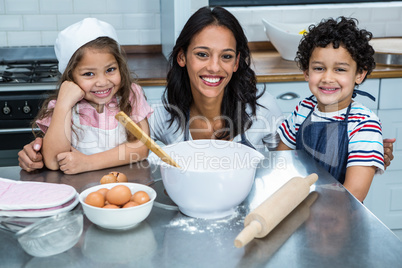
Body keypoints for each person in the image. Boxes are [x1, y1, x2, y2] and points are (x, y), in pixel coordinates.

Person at [18, 7, 395, 172]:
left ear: (237, 63)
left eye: (226, 56)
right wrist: (38, 155)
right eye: (202, 54)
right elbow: (122, 150)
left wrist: (353, 148)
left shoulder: (262, 122)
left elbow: (300, 160)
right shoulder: (161, 120)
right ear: (182, 58)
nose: (214, 67)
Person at [277, 17, 385, 202]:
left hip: (340, 216)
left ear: (359, 74)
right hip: (298, 205)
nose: (327, 78)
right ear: (306, 72)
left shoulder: (364, 124)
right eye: (319, 68)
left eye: (340, 70)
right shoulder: (303, 109)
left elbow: (354, 194)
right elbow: (282, 160)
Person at [30, 18, 152, 174]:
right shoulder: (61, 106)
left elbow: (141, 148)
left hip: (126, 184)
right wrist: (63, 105)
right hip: (80, 189)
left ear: (120, 67)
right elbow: (53, 161)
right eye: (88, 74)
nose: (102, 82)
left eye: (110, 70)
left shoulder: (131, 95)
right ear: (70, 77)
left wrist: (88, 163)